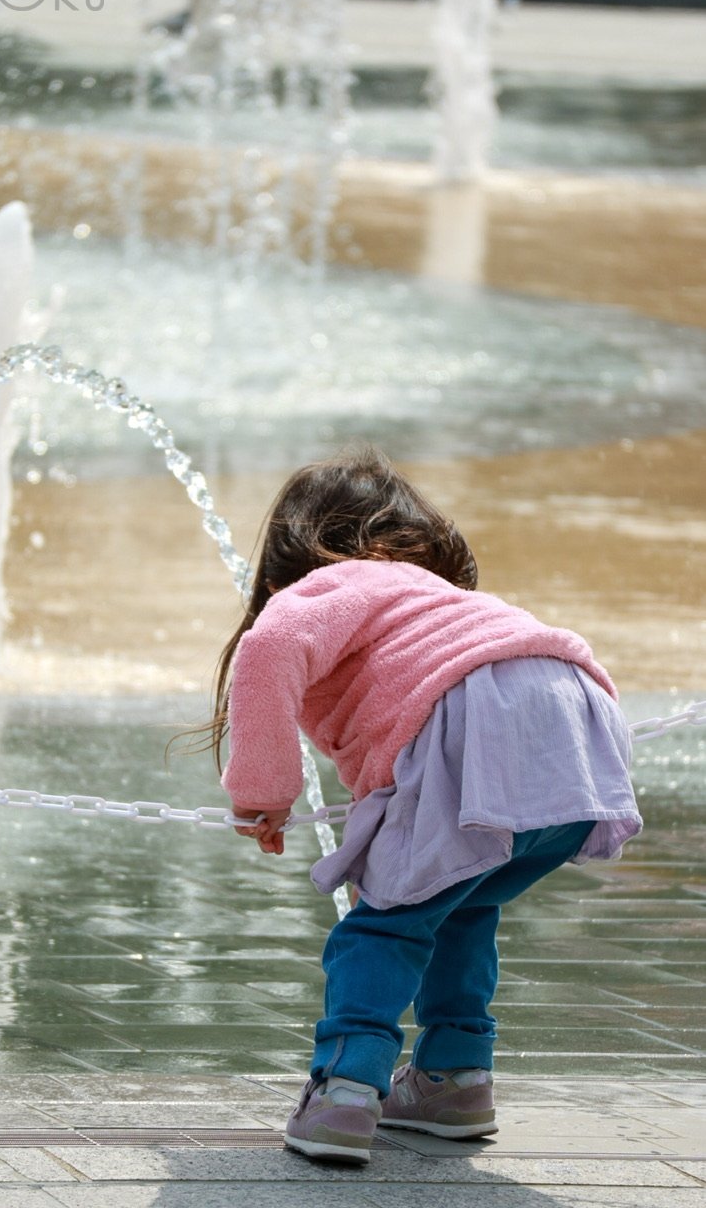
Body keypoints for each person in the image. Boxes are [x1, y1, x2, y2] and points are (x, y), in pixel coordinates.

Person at [207, 444, 642, 1166]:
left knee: (383, 926)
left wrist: (262, 792)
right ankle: (452, 1080)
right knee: (460, 907)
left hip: (474, 716)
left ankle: (346, 1090)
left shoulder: (329, 587)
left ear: (294, 551)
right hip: (579, 723)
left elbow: (270, 645)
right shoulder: (442, 596)